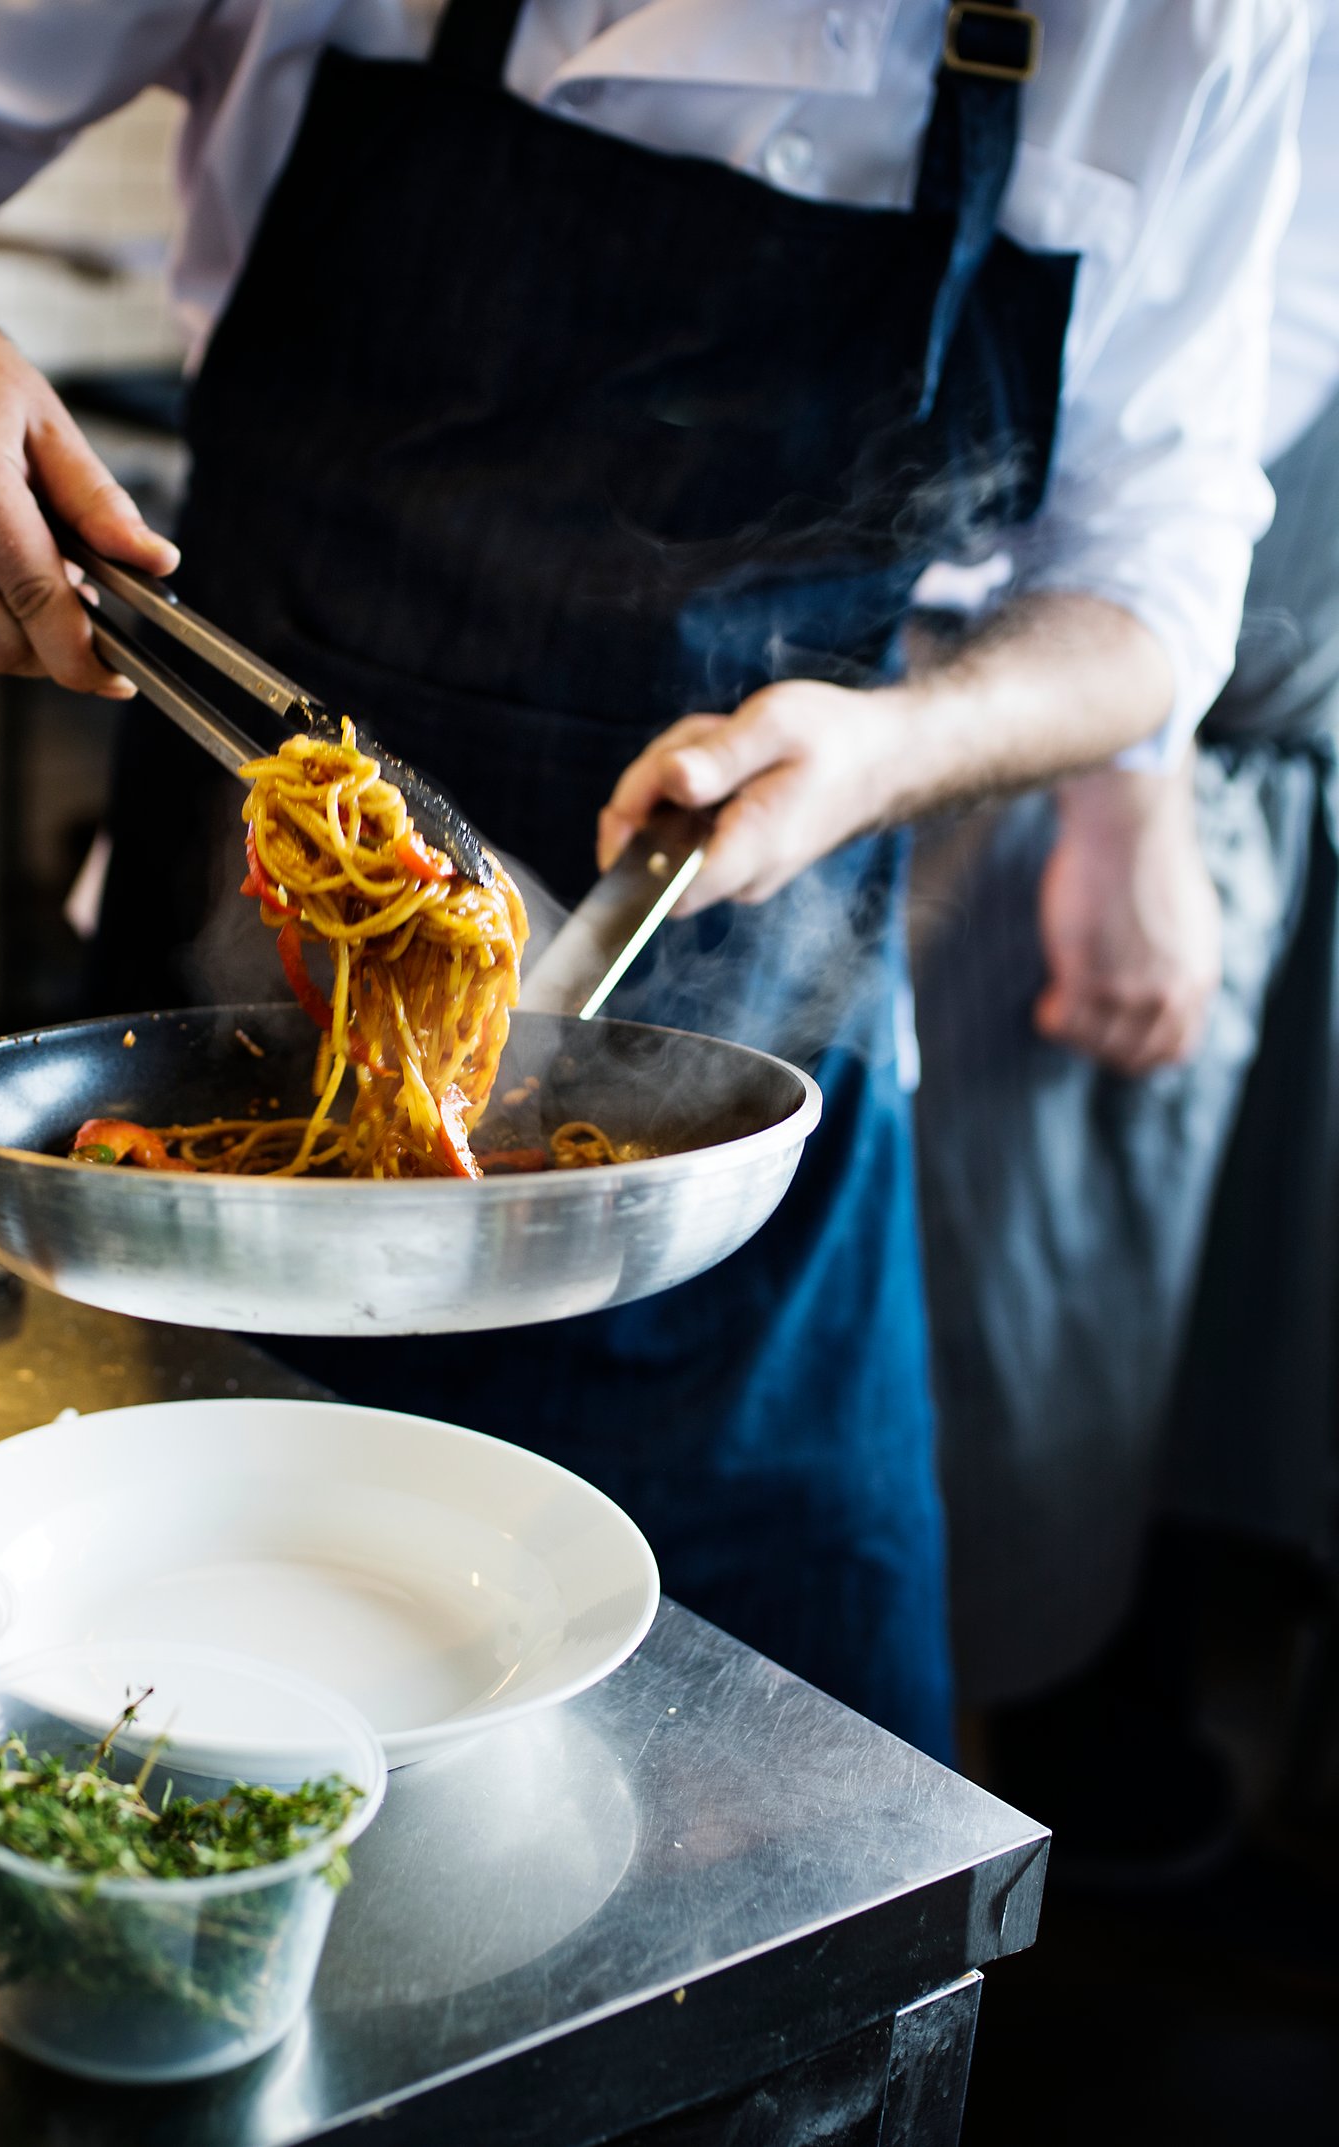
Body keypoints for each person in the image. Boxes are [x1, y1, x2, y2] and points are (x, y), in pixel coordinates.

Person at [0, 1, 1307, 1762]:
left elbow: (1151, 587)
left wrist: (885, 750)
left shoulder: (1192, 24)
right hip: (207, 1126)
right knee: (154, 1767)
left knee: (800, 1830)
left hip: (730, 1166)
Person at [912, 0, 1339, 1847]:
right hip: (1047, 738)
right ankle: (966, 1804)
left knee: (1152, 1337)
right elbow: (1197, 390)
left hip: (1235, 731)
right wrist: (1127, 791)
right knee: (1002, 1365)